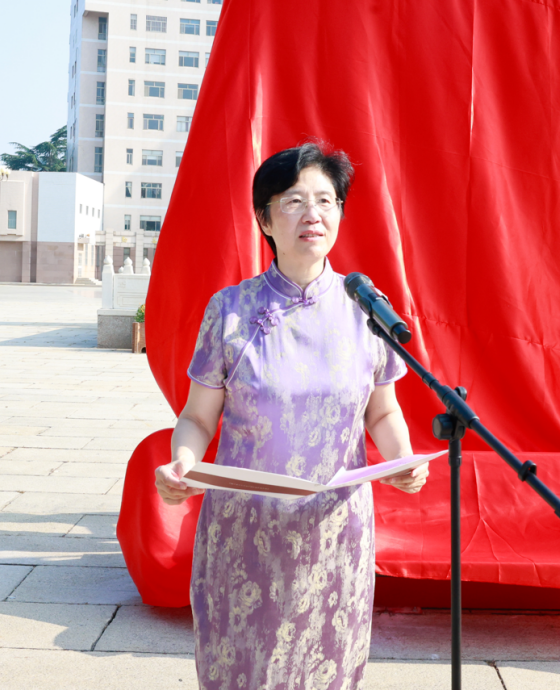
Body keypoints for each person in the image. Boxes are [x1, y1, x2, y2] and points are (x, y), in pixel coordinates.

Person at [155, 142, 428, 690]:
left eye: (326, 200)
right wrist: (183, 462)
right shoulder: (231, 310)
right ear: (265, 219)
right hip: (245, 529)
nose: (313, 214)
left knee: (329, 671)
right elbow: (198, 418)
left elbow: (382, 412)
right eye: (295, 201)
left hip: (336, 532)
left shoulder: (365, 309)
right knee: (243, 671)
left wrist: (402, 459)